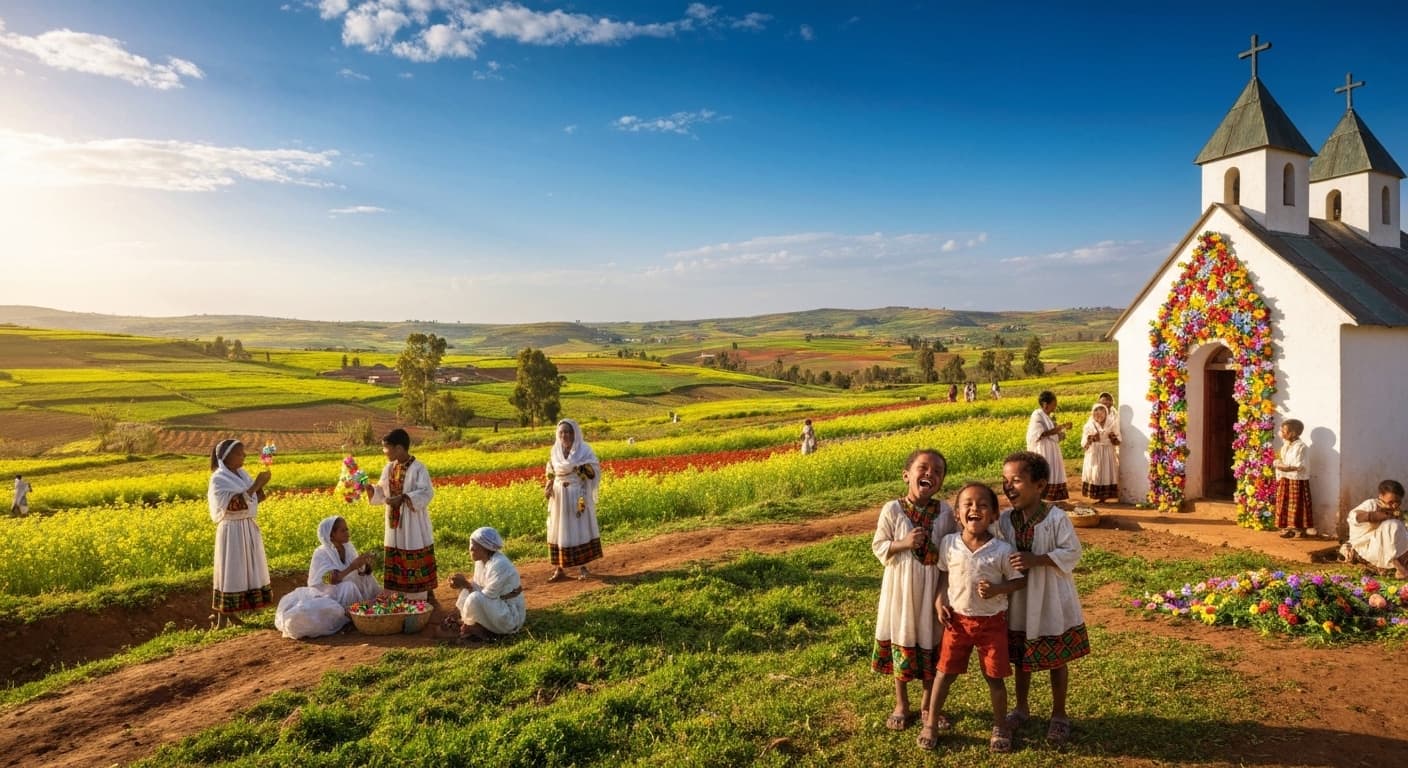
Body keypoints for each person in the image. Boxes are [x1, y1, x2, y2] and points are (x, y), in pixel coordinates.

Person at [919, 482, 1025, 753]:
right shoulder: (949, 543)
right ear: (957, 514)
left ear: (993, 515)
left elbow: (1017, 581)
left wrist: (998, 589)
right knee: (944, 674)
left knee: (994, 678)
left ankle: (1000, 725)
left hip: (992, 623)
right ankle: (930, 723)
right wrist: (939, 598)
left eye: (982, 505)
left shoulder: (1002, 550)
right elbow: (944, 574)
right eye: (967, 504)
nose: (974, 509)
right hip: (957, 621)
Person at [997, 451, 1090, 747]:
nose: (1009, 487)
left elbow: (1072, 552)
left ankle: (1059, 714)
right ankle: (1021, 708)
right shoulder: (1004, 520)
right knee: (1022, 656)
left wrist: (1036, 559)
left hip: (1050, 597)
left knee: (1055, 658)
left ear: (1039, 485)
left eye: (1016, 480)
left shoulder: (1056, 517)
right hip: (1020, 600)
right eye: (1005, 481)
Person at [871, 449, 956, 733]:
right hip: (901, 590)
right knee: (903, 637)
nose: (930, 474)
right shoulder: (892, 510)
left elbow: (949, 554)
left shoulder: (945, 512)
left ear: (941, 481)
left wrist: (942, 593)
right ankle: (901, 704)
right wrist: (903, 543)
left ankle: (928, 705)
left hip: (932, 590)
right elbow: (879, 545)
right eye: (923, 468)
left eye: (937, 471)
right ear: (907, 475)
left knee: (932, 642)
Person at [207, 439, 272, 628]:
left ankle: (225, 616)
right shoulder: (219, 478)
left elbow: (256, 499)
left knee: (243, 570)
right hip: (232, 530)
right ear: (227, 457)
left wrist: (261, 484)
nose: (244, 456)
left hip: (246, 527)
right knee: (231, 571)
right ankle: (225, 614)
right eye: (239, 453)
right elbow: (233, 505)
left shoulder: (242, 474)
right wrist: (256, 485)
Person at [367, 428, 437, 600]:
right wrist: (370, 489)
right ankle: (398, 593)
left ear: (399, 448)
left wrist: (404, 498)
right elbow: (382, 491)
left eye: (386, 448)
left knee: (413, 548)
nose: (384, 452)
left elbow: (426, 492)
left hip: (413, 520)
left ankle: (420, 594)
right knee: (396, 550)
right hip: (393, 522)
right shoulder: (389, 468)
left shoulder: (419, 468)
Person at [544, 418, 603, 582]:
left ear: (575, 433)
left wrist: (580, 468)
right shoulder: (555, 451)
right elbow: (551, 470)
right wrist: (548, 484)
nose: (565, 435)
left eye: (568, 432)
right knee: (558, 530)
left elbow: (593, 472)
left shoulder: (584, 450)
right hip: (558, 496)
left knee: (579, 528)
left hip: (577, 495)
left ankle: (583, 568)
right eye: (562, 432)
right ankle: (559, 569)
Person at [445, 526, 526, 642]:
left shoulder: (499, 565)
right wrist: (462, 585)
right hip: (496, 604)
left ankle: (470, 627)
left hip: (510, 616)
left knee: (474, 596)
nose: (470, 548)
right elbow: (479, 587)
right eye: (470, 544)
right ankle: (468, 622)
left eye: (474, 545)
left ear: (485, 547)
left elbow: (487, 596)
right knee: (466, 591)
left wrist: (466, 584)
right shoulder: (481, 561)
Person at [308, 516, 381, 607]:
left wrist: (365, 566)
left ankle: (374, 606)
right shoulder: (321, 553)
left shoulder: (348, 547)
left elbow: (358, 573)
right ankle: (350, 614)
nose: (347, 533)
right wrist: (351, 567)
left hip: (347, 584)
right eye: (343, 531)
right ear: (331, 534)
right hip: (329, 592)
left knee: (367, 578)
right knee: (348, 587)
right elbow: (328, 580)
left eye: (347, 530)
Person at [1346, 480, 1408, 579]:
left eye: (1398, 502)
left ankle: (1403, 563)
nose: (1395, 505)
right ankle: (1399, 567)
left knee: (1399, 527)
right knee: (1392, 525)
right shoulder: (1371, 504)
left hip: (1388, 546)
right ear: (1381, 496)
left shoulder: (1396, 510)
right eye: (1391, 501)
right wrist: (1372, 516)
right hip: (1369, 547)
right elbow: (1354, 517)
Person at [1025, 391, 1072, 504]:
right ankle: (1041, 500)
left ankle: (1051, 500)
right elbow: (1040, 434)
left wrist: (1061, 433)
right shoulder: (1037, 415)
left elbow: (1052, 434)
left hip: (1051, 450)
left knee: (1052, 472)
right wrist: (1059, 429)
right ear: (1045, 404)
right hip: (1043, 450)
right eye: (1054, 404)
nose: (1055, 407)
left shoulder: (1047, 417)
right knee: (1045, 472)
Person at [1273, 418, 1311, 539]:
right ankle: (1287, 527)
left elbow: (1299, 466)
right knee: (1284, 503)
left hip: (1296, 480)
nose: (1282, 434)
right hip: (1285, 479)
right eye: (1282, 431)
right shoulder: (1285, 446)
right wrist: (1280, 465)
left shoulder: (1301, 447)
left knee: (1296, 504)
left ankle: (1298, 529)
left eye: (1284, 431)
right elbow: (1283, 461)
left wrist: (1285, 468)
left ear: (1293, 433)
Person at [1080, 403, 1119, 502]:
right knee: (1095, 473)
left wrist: (1113, 437)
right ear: (1093, 414)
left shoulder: (1112, 424)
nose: (1099, 416)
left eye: (1101, 414)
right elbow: (1084, 442)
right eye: (1096, 414)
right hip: (1095, 452)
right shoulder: (1089, 426)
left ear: (1106, 414)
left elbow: (1118, 439)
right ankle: (1095, 495)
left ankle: (1104, 497)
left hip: (1107, 452)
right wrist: (1091, 438)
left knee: (1106, 473)